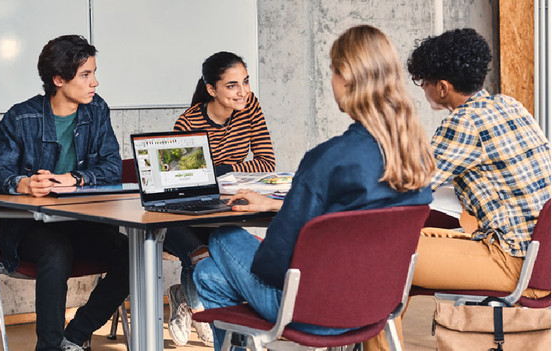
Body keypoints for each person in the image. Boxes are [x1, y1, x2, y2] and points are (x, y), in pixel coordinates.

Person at [192, 24, 436, 351]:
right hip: (376, 304)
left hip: (309, 311)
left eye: (333, 71)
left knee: (221, 239)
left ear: (346, 77)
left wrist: (259, 238)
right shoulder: (415, 155)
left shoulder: (328, 159)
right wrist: (274, 205)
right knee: (208, 273)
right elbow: (346, 215)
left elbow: (274, 264)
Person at [359, 28, 552, 351]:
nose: (424, 92)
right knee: (401, 246)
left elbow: (406, 185)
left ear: (443, 87)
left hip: (511, 260)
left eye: (425, 84)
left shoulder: (464, 122)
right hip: (540, 256)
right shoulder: (509, 105)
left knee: (381, 258)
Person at [0, 35, 129, 351]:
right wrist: (22, 183)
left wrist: (73, 178)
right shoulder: (20, 118)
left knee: (135, 252)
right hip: (29, 229)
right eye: (86, 75)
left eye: (94, 72)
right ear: (59, 79)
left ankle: (76, 335)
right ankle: (48, 347)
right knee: (55, 250)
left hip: (83, 224)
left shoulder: (97, 110)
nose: (95, 82)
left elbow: (112, 167)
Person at [163, 51, 276, 347]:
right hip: (185, 215)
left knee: (218, 247)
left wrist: (222, 171)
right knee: (201, 252)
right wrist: (228, 174)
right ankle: (199, 307)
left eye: (245, 82)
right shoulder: (188, 123)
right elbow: (183, 185)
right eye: (232, 85)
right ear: (211, 89)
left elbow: (266, 163)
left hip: (226, 207)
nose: (243, 92)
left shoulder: (250, 107)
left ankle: (193, 303)